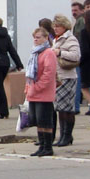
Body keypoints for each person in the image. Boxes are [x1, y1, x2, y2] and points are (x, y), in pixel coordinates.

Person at [25, 27, 57, 157]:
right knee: (38, 121)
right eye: (34, 37)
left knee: (45, 120)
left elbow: (48, 74)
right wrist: (28, 88)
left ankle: (48, 147)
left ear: (45, 38)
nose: (35, 40)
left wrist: (37, 87)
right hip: (33, 92)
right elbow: (30, 73)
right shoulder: (35, 53)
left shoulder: (49, 53)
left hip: (44, 93)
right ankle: (42, 145)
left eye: (38, 37)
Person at [51, 14, 81, 147]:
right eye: (54, 26)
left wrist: (60, 53)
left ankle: (66, 135)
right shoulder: (57, 39)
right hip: (58, 77)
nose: (55, 28)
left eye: (58, 26)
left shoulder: (70, 38)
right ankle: (64, 135)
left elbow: (76, 56)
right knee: (61, 108)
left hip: (67, 76)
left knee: (66, 108)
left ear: (64, 26)